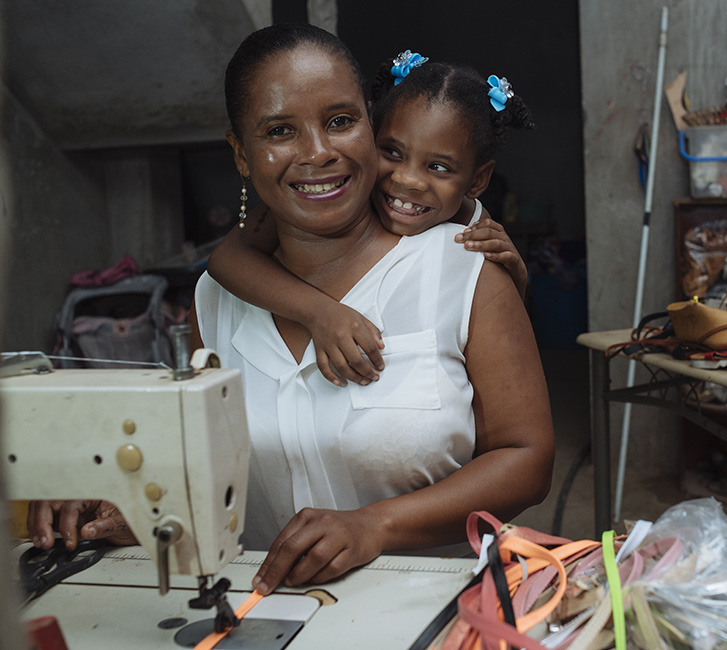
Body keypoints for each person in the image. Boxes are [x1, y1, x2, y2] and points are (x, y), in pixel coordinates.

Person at [27, 24, 554, 597]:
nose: (318, 152)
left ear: (369, 124)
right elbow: (207, 461)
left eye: (340, 121)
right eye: (281, 130)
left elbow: (526, 460)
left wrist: (374, 525)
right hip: (259, 612)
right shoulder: (215, 299)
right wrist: (124, 497)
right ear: (242, 154)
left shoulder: (465, 269)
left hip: (428, 609)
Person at [206, 50, 534, 387]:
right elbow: (225, 259)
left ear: (476, 182)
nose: (407, 180)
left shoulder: (472, 227)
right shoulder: (322, 200)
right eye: (391, 152)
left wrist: (515, 282)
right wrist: (319, 312)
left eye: (437, 167)